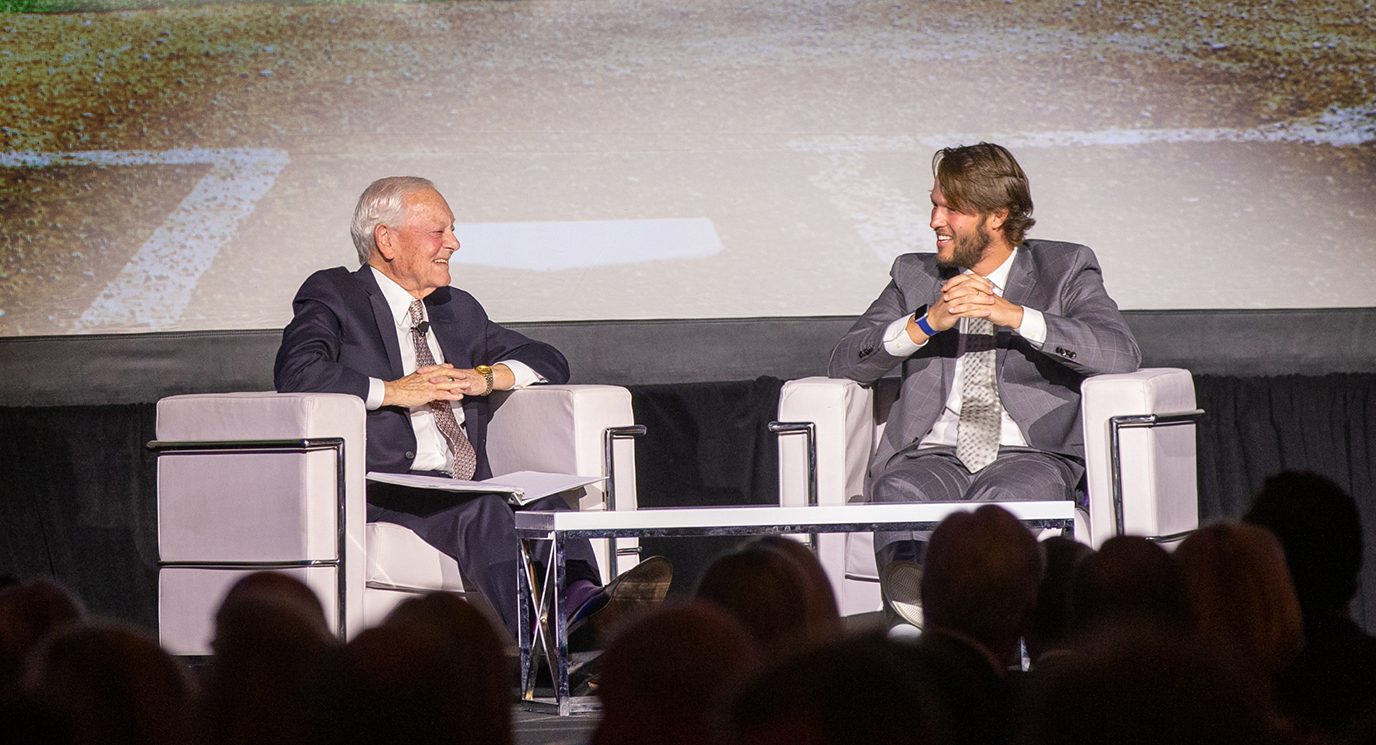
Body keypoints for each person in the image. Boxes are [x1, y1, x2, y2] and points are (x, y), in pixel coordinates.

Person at [274, 176, 669, 643]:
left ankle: (587, 606)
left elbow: (547, 358)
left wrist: (485, 377)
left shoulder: (455, 309)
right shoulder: (336, 294)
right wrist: (397, 391)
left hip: (462, 481)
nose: (454, 244)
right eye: (438, 232)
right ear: (387, 240)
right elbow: (298, 372)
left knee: (546, 506)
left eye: (452, 231)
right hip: (387, 486)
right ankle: (548, 644)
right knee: (484, 509)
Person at [827, 142, 1140, 627]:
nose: (935, 220)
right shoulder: (914, 274)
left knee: (1004, 504)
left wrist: (1014, 315)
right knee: (897, 487)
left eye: (952, 208)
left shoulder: (1066, 268)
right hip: (932, 454)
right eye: (934, 203)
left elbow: (1119, 352)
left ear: (997, 216)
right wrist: (925, 322)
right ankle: (915, 609)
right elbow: (847, 361)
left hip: (1030, 454)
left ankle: (981, 626)